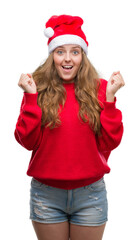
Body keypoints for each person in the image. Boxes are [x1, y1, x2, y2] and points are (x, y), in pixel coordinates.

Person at [14, 15, 125, 240]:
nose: (67, 58)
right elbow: (27, 141)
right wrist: (31, 98)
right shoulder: (38, 88)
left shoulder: (101, 89)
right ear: (52, 56)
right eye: (60, 51)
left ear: (82, 57)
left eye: (75, 51)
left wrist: (111, 100)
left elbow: (109, 142)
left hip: (90, 194)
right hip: (46, 195)